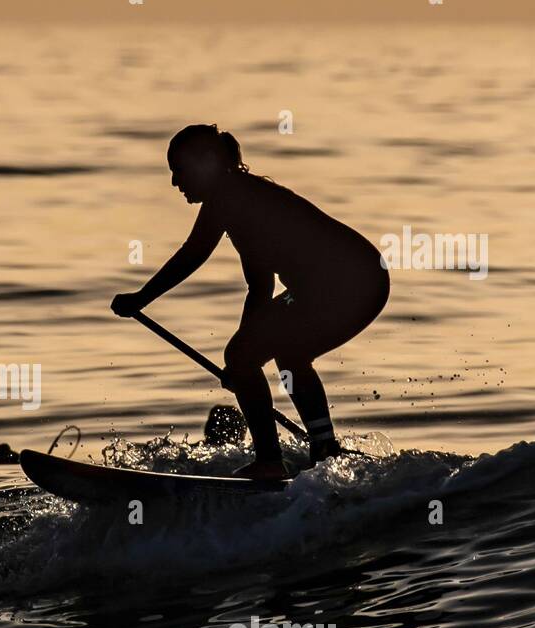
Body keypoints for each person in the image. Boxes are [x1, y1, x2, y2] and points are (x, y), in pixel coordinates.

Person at [112, 124, 389, 480]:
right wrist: (245, 363)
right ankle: (323, 447)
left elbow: (192, 254)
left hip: (349, 283)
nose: (174, 183)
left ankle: (270, 462)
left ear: (206, 162)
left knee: (252, 355)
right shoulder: (242, 200)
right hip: (360, 282)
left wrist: (141, 299)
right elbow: (259, 289)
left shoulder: (228, 195)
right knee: (282, 354)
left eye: (178, 170)